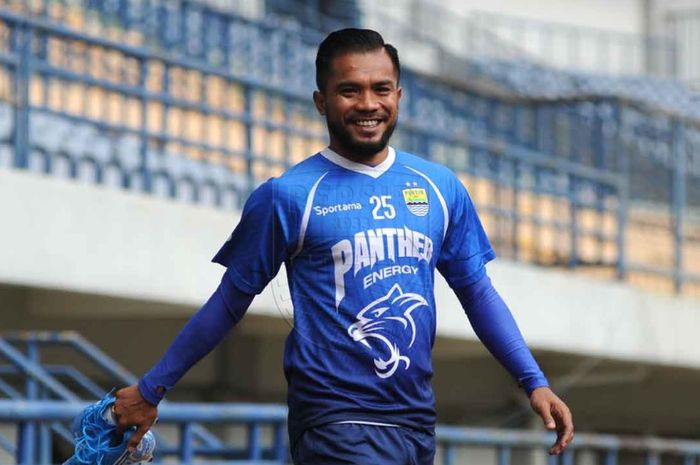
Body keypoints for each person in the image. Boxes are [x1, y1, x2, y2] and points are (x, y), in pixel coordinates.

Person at [114, 28, 574, 464]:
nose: (368, 103)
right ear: (321, 101)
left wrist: (534, 381)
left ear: (399, 96)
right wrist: (152, 389)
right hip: (336, 421)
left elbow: (477, 291)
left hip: (414, 422)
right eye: (349, 90)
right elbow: (230, 301)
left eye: (381, 88)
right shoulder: (289, 195)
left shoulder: (438, 187)